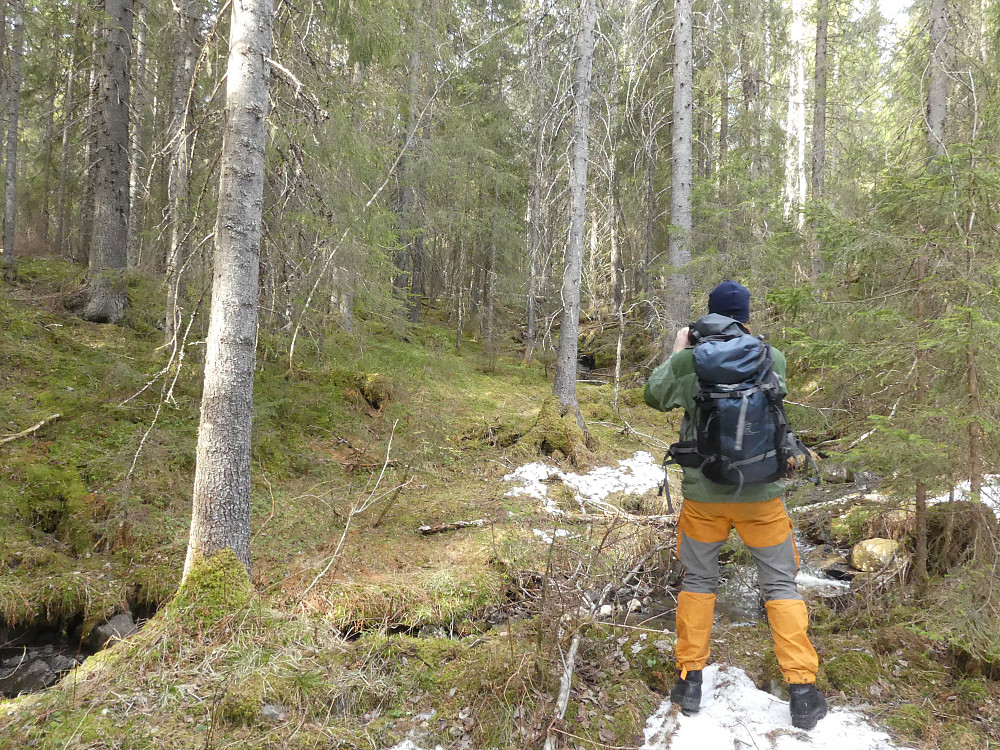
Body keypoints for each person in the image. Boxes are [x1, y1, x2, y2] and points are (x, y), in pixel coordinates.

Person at [643, 280, 827, 730]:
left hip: (705, 497)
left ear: (710, 316)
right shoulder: (770, 356)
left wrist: (676, 349)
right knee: (781, 587)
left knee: (700, 582)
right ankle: (802, 692)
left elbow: (653, 395)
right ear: (745, 316)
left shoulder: (690, 360)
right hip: (763, 498)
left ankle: (689, 683)